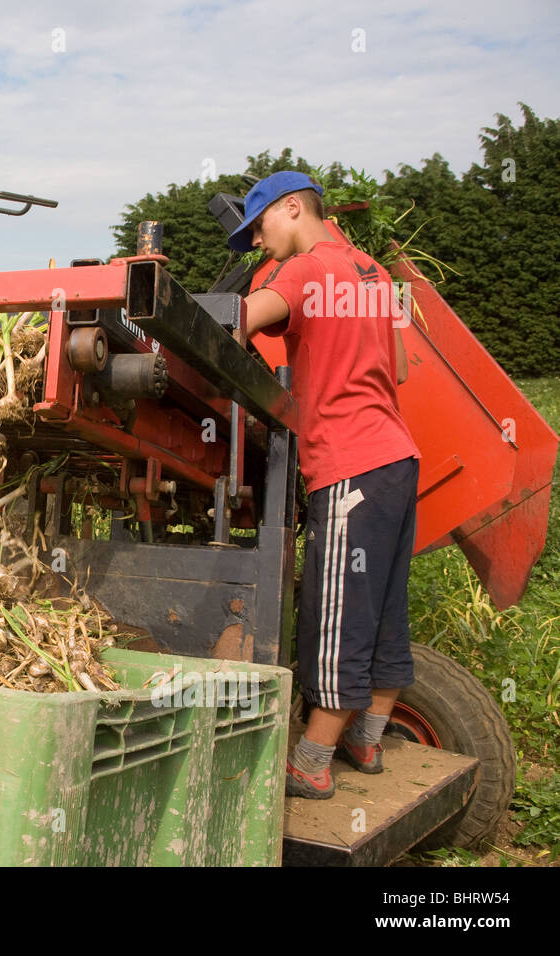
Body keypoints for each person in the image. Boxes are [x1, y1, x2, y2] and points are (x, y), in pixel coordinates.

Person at [227, 171, 420, 799]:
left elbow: (242, 322)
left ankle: (310, 762)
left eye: (259, 225)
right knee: (384, 606)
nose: (257, 241)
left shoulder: (307, 269)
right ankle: (367, 739)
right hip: (396, 455)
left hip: (350, 464)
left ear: (291, 208)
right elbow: (393, 369)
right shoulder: (372, 275)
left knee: (336, 612)